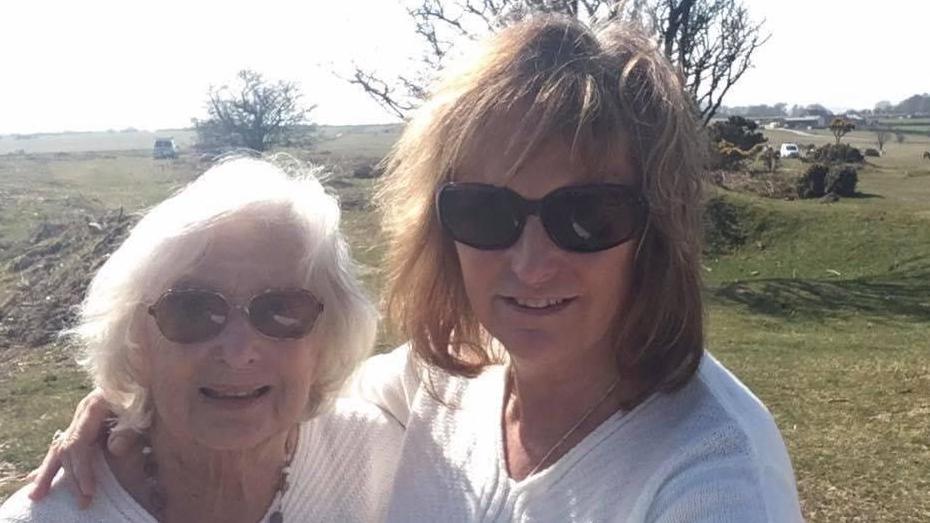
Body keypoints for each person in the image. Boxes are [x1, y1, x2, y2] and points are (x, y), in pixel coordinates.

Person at [25, 15, 803, 522]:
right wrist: (133, 398)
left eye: (587, 215)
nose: (531, 264)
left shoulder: (711, 475)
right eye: (487, 213)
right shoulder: (436, 385)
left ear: (655, 229)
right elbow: (266, 379)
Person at [0, 158, 401, 522]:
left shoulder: (380, 459)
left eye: (282, 310)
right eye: (191, 310)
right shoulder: (50, 516)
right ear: (136, 339)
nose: (238, 352)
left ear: (327, 339)